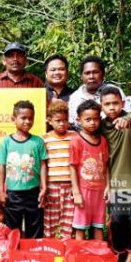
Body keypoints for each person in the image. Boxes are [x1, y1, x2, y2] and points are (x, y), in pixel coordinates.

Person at [99, 86, 131, 262]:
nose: (112, 107)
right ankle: (117, 255)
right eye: (107, 104)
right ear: (102, 106)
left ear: (122, 103)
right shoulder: (101, 127)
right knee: (117, 221)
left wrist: (126, 119)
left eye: (115, 103)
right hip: (115, 183)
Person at [0, 100, 47, 239]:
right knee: (13, 229)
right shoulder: (6, 142)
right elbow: (1, 166)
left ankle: (32, 255)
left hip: (34, 193)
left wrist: (44, 187)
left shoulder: (38, 141)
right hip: (13, 194)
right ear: (14, 119)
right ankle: (14, 255)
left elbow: (43, 165)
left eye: (30, 118)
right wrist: (1, 190)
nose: (27, 121)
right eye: (23, 118)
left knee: (35, 227)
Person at [70, 100, 109, 241]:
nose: (92, 123)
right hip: (83, 190)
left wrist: (108, 186)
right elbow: (73, 167)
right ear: (79, 120)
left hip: (100, 191)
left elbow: (106, 166)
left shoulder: (103, 141)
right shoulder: (76, 141)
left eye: (96, 119)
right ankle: (78, 256)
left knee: (98, 226)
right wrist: (76, 193)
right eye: (88, 119)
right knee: (80, 226)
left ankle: (98, 258)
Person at [43, 99, 77, 239]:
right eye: (58, 120)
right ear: (49, 121)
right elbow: (43, 164)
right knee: (50, 218)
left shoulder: (75, 137)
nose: (62, 123)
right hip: (51, 185)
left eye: (65, 120)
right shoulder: (44, 139)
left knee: (69, 218)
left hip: (70, 185)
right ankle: (49, 246)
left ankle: (67, 247)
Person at [67, 56, 125, 126]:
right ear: (81, 76)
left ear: (103, 74)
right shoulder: (75, 98)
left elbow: (130, 115)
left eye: (95, 72)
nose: (91, 76)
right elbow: (72, 124)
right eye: (87, 73)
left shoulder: (115, 91)